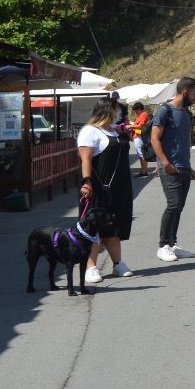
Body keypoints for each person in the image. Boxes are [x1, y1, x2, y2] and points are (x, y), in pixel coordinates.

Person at [76, 98, 135, 286]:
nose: (119, 113)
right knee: (94, 229)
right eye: (117, 110)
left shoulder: (114, 130)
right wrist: (86, 182)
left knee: (114, 226)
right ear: (108, 110)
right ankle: (90, 267)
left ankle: (118, 263)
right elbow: (85, 159)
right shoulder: (89, 131)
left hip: (120, 186)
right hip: (100, 187)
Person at [150, 77, 195, 263]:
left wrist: (190, 167)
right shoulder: (165, 110)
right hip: (169, 168)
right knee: (173, 204)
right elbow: (155, 138)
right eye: (194, 93)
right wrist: (165, 162)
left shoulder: (184, 113)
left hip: (184, 167)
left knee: (179, 206)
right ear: (184, 92)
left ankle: (172, 244)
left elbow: (179, 144)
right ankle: (162, 246)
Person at [129, 102, 155, 176]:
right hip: (139, 135)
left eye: (136, 110)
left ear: (140, 109)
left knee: (141, 154)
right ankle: (143, 171)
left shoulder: (143, 114)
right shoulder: (141, 115)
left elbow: (141, 126)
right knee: (141, 154)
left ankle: (143, 172)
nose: (135, 112)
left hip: (140, 135)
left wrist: (130, 126)